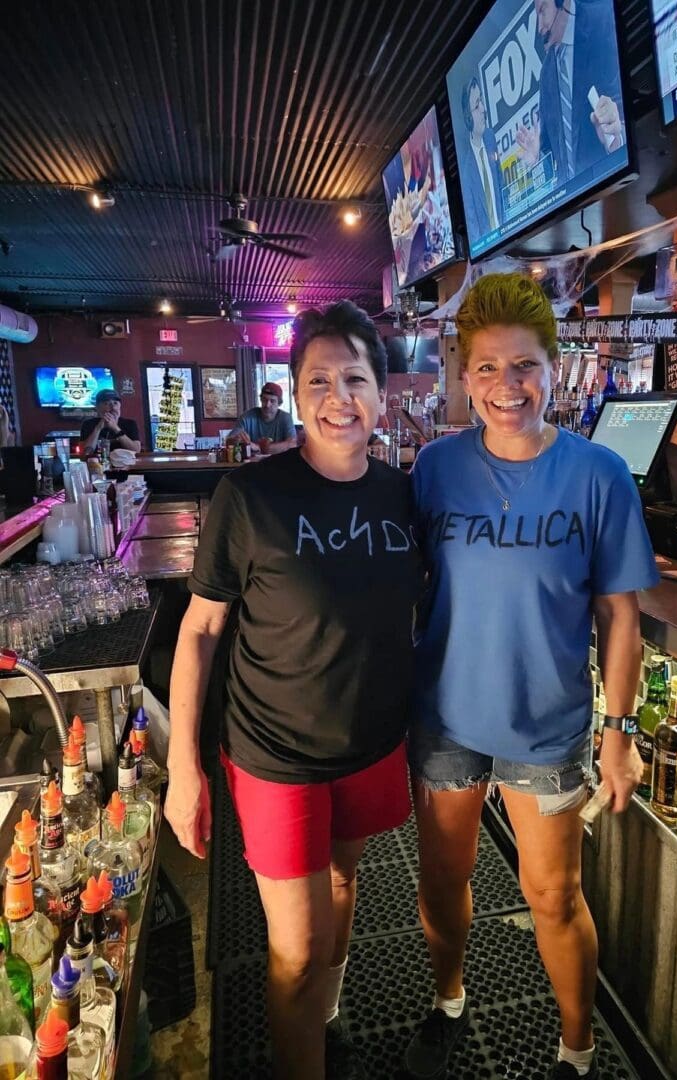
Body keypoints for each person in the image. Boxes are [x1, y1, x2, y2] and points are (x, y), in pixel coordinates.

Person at [404, 272, 658, 1080]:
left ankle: (577, 1048)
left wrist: (620, 735)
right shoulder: (435, 469)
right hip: (444, 721)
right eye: (486, 368)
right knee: (444, 888)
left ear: (554, 367)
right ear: (463, 375)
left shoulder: (599, 475)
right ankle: (449, 1002)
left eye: (523, 367)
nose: (506, 387)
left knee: (552, 896)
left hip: (546, 728)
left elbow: (622, 618)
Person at [165, 301, 421, 1080]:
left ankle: (327, 1015)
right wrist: (185, 766)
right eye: (319, 380)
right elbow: (200, 632)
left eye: (355, 378)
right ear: (294, 391)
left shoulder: (404, 494)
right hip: (275, 753)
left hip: (373, 741)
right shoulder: (250, 497)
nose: (339, 398)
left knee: (345, 883)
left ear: (382, 394)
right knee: (295, 947)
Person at [517, 0, 626, 183]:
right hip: (573, 204)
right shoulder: (546, 74)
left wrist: (616, 134)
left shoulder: (602, 19)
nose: (539, 27)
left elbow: (624, 110)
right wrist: (538, 154)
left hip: (614, 188)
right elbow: (553, 152)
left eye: (543, 11)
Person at [456, 75, 504, 248]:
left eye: (482, 101)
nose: (483, 109)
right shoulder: (466, 171)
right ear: (468, 117)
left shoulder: (490, 138)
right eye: (477, 106)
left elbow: (501, 186)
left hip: (508, 235)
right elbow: (472, 225)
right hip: (489, 251)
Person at [227, 381, 298, 454]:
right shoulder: (247, 417)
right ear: (260, 400)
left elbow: (292, 444)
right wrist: (237, 440)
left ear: (279, 403)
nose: (267, 405)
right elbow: (229, 442)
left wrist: (259, 448)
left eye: (272, 401)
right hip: (253, 464)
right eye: (264, 400)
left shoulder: (285, 417)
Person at [79, 388, 141, 453]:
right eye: (106, 403)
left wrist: (115, 428)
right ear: (97, 407)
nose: (113, 408)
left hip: (124, 462)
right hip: (97, 462)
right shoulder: (88, 424)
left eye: (115, 403)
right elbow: (86, 452)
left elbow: (136, 450)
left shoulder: (130, 424)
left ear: (120, 405)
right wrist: (98, 428)